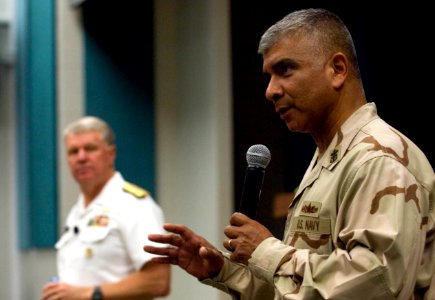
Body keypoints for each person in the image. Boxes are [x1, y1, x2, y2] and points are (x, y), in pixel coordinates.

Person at [143, 8, 434, 299]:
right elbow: (303, 291)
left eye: (285, 70)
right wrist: (222, 271)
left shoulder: (378, 159)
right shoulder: (329, 159)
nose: (271, 91)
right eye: (269, 76)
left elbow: (376, 285)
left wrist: (266, 251)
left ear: (337, 69)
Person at [41, 116, 170, 300]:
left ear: (111, 153)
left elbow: (158, 281)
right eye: (73, 151)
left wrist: (89, 294)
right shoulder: (78, 212)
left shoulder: (133, 204)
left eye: (90, 148)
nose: (81, 157)